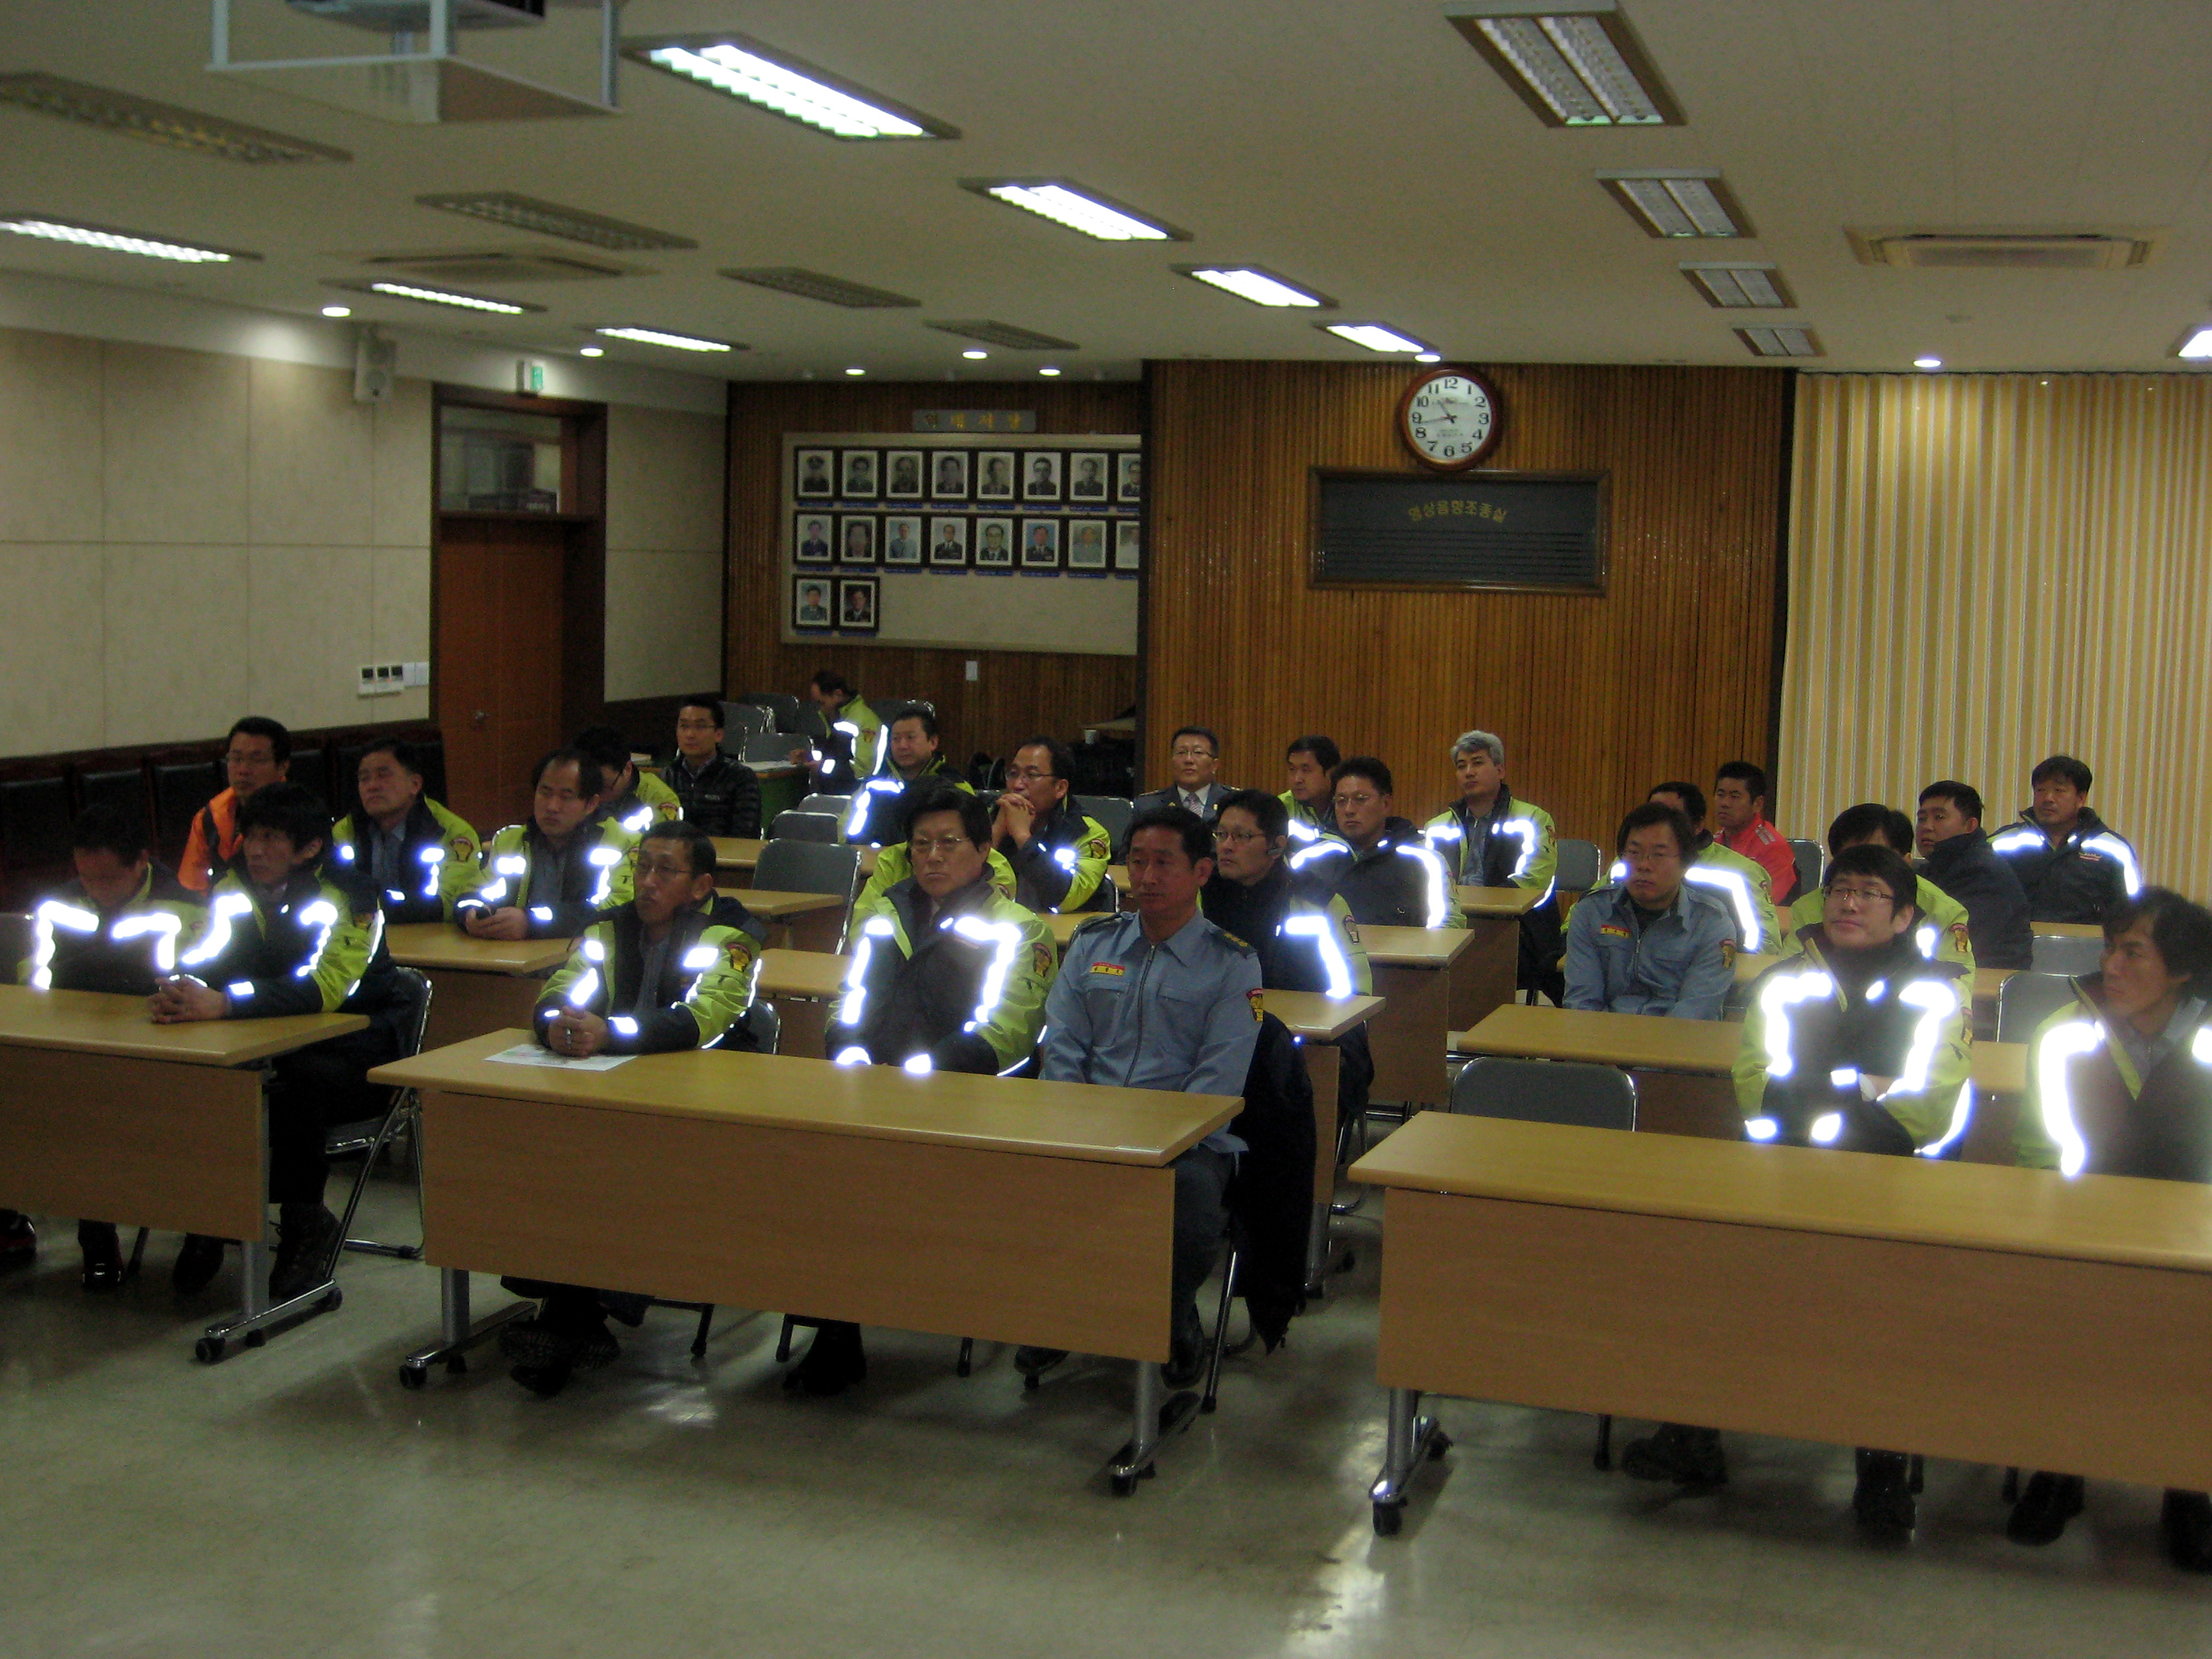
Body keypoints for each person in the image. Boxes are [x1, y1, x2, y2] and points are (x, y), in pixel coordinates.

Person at [1622, 845, 1972, 1526]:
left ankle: (1882, 1467)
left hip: (1893, 1182)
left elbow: (1927, 1105)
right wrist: (1861, 1087)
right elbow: (1759, 1087)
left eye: (1869, 893)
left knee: (1886, 1308)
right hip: (1782, 1170)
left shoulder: (1937, 991)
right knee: (1708, 1268)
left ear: (1903, 916)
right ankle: (1694, 1433)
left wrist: (1821, 1094)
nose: (1848, 903)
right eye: (1840, 890)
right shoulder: (1785, 982)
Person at [799, 788, 1058, 1394]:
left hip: (968, 1101)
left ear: (984, 850)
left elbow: (1007, 1034)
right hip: (872, 1091)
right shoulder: (884, 915)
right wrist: (851, 1053)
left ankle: (854, 1317)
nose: (933, 856)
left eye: (948, 843)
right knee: (806, 1166)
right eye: (921, 845)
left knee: (864, 1178)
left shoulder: (1020, 929)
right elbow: (851, 1002)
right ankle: (834, 1325)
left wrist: (918, 1075)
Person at [500, 821, 768, 1397]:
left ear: (700, 886)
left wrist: (612, 1034)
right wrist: (556, 1025)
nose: (648, 882)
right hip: (614, 1087)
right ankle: (575, 1313)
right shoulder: (610, 926)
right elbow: (562, 986)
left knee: (624, 1164)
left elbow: (706, 1019)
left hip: (702, 1096)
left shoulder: (733, 933)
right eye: (643, 866)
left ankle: (571, 1314)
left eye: (665, 872)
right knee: (553, 1151)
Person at [2008, 887, 2212, 1570]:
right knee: (2068, 1333)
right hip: (2083, 1224)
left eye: (2133, 952)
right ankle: (2060, 1469)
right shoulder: (2065, 1031)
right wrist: (2057, 1225)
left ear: (2182, 969)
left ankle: (2189, 1485)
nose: (2111, 966)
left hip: (2196, 1235)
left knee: (2195, 1343)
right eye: (2109, 949)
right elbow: (2038, 1145)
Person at [1022, 806, 1262, 1387]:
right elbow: (1063, 1043)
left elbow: (1217, 1079)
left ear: (1201, 871)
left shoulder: (1232, 961)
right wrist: (1075, 1123)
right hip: (1087, 1125)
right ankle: (1059, 1312)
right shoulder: (1093, 943)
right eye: (1137, 862)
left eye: (1163, 863)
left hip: (1187, 1142)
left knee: (1190, 1197)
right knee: (1022, 1173)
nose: (1147, 877)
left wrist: (1155, 1142)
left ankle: (1171, 1319)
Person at [156, 782, 410, 1303]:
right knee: (199, 1073)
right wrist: (181, 988)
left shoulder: (352, 897)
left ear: (309, 848)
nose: (255, 850)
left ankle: (304, 1220)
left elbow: (327, 988)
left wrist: (228, 1003)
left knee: (294, 1083)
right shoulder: (233, 886)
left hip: (356, 1046)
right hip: (262, 1033)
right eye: (252, 836)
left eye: (271, 839)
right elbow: (207, 956)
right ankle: (215, 1210)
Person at [17, 805, 205, 1288]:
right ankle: (91, 1230)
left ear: (140, 862)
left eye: (107, 879)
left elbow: (198, 986)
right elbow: (30, 978)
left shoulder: (186, 909)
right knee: (53, 1103)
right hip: (78, 1040)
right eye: (86, 877)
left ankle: (205, 1227)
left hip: (163, 1048)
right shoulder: (59, 905)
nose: (95, 890)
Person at [1561, 802, 1737, 1020]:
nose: (1644, 865)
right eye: (1634, 853)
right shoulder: (1592, 911)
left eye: (1659, 854)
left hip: (1678, 1038)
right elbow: (1582, 1003)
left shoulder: (1711, 923)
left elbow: (1696, 1013)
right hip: (1601, 1034)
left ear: (1685, 864)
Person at [1422, 730, 1560, 990]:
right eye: (1461, 766)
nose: (1469, 772)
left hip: (1516, 925)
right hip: (1454, 920)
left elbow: (1534, 879)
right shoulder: (1436, 827)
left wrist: (1484, 907)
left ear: (1500, 770)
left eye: (1477, 763)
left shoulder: (1533, 819)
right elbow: (1426, 880)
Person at [453, 750, 637, 940]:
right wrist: (471, 913)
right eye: (545, 793)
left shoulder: (620, 842)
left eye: (566, 797)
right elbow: (472, 891)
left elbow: (619, 906)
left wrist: (531, 923)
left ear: (591, 804)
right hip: (515, 952)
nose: (552, 807)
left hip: (580, 952)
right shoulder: (510, 840)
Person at [1787, 802, 1979, 970]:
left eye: (1876, 859)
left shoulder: (1944, 911)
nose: (1850, 904)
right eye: (1849, 859)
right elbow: (1788, 969)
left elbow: (1957, 980)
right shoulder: (1807, 907)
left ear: (1906, 862)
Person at [1290, 757, 1462, 930]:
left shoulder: (1425, 860)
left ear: (1385, 804)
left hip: (1405, 947)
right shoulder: (1308, 860)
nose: (1349, 810)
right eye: (1341, 801)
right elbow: (1291, 922)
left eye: (1360, 799)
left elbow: (1448, 926)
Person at [328, 738, 481, 925]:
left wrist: (373, 907)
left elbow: (449, 902)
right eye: (364, 779)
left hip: (429, 934)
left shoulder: (451, 832)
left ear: (415, 784)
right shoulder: (345, 831)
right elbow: (328, 892)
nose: (372, 786)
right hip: (363, 935)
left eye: (383, 776)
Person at [1627, 782, 1780, 953]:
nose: (1660, 826)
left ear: (1698, 825)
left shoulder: (1741, 872)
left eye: (1674, 819)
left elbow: (1766, 946)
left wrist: (1720, 962)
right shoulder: (1626, 862)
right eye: (1653, 815)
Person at [1990, 755, 2141, 925]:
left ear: (2080, 799)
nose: (2048, 798)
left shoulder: (2114, 849)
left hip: (2088, 941)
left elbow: (2132, 912)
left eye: (2059, 791)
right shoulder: (2001, 844)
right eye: (2041, 790)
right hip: (2017, 940)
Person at [1913, 783, 2033, 969]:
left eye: (1939, 817)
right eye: (1922, 819)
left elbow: (1958, 941)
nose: (1926, 827)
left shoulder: (1982, 873)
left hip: (1990, 976)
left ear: (1970, 825)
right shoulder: (1935, 867)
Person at [992, 737, 1114, 913]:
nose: (1017, 785)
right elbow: (959, 886)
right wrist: (995, 834)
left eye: (1031, 775)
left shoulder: (1087, 833)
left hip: (1062, 928)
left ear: (1060, 788)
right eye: (1013, 773)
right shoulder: (990, 817)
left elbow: (1066, 898)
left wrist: (1023, 838)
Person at [180, 716, 290, 893]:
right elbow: (191, 889)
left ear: (283, 767)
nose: (243, 770)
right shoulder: (209, 818)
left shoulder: (300, 814)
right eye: (236, 759)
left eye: (257, 760)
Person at [842, 705, 967, 846]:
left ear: (933, 742)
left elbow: (969, 842)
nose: (902, 746)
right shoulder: (873, 787)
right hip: (876, 859)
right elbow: (848, 836)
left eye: (910, 738)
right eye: (896, 739)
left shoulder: (956, 786)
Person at [664, 696, 760, 838]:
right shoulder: (669, 775)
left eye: (700, 727)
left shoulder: (740, 777)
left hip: (724, 850)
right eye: (684, 726)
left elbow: (746, 833)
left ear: (718, 735)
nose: (690, 734)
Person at [1712, 760, 1799, 904]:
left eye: (1735, 797)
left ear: (1757, 804)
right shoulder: (1712, 842)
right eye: (1720, 795)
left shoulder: (1773, 848)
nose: (1725, 803)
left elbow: (1767, 906)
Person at [575, 724, 679, 837]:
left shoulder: (658, 799)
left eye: (603, 787)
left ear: (627, 768)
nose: (596, 797)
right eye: (588, 785)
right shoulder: (571, 785)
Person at [790, 669, 882, 788]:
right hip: (837, 788)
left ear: (838, 694)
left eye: (822, 703)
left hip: (861, 791)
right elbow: (836, 756)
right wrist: (809, 758)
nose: (820, 709)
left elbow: (864, 770)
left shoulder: (864, 720)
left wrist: (822, 767)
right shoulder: (837, 717)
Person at [1133, 726, 1234, 822]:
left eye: (1198, 752)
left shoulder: (1234, 802)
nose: (1188, 760)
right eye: (1181, 752)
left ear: (1214, 765)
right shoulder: (1148, 806)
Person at [1280, 735, 1341, 845]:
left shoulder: (1348, 804)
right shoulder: (1282, 806)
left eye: (1306, 770)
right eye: (1292, 769)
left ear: (1331, 773)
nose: (1297, 779)